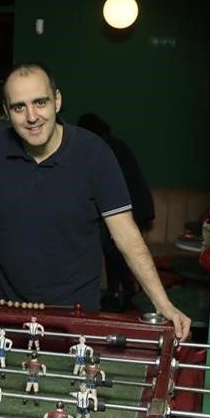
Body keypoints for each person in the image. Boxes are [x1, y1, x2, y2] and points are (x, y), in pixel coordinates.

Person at [0, 62, 190, 339]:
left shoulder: (94, 153)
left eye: (40, 102)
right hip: (9, 311)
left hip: (77, 314)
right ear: (7, 112)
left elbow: (125, 233)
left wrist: (162, 303)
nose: (32, 117)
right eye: (19, 107)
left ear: (57, 101)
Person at [76, 113, 155, 311]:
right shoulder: (113, 144)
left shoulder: (101, 148)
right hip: (135, 202)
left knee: (113, 247)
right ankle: (117, 292)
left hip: (130, 204)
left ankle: (128, 290)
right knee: (111, 247)